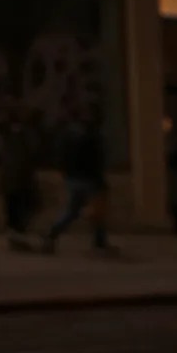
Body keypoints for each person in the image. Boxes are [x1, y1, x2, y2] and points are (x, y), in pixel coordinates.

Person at [44, 106, 112, 253]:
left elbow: (62, 156)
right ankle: (99, 242)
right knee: (97, 211)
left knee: (72, 211)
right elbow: (97, 160)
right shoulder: (94, 136)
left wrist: (66, 173)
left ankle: (52, 234)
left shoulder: (70, 134)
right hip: (90, 179)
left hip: (74, 178)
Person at [0, 111, 42, 250]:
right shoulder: (25, 135)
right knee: (23, 207)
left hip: (12, 178)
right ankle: (17, 235)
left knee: (13, 208)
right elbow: (33, 152)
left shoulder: (8, 136)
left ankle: (15, 235)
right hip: (21, 178)